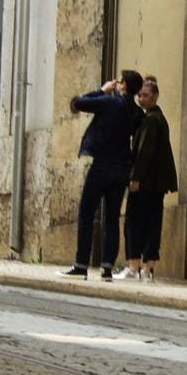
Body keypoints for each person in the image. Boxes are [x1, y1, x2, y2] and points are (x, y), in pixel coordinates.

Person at [64, 68, 144, 279]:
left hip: (102, 165)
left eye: (119, 81)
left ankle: (81, 264)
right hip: (122, 168)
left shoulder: (111, 102)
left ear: (124, 85)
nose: (116, 83)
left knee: (87, 212)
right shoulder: (135, 112)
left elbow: (79, 103)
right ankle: (107, 267)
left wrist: (101, 90)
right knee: (112, 217)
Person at [122, 75, 176, 281]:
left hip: (146, 182)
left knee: (135, 222)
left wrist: (135, 177)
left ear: (155, 97)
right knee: (154, 222)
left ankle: (134, 266)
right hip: (158, 183)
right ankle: (149, 268)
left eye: (145, 95)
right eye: (139, 95)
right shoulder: (160, 118)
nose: (141, 99)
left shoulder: (151, 120)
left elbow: (145, 150)